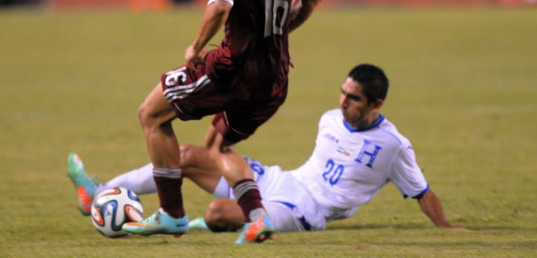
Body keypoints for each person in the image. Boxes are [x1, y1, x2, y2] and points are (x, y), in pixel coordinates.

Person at [99, 0, 322, 243]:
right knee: (218, 145)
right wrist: (280, 34)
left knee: (151, 114)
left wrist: (195, 46)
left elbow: (219, 7)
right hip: (276, 76)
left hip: (232, 70)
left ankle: (172, 214)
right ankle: (258, 216)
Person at [68, 64, 464, 237]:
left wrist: (446, 230)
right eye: (343, 93)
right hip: (281, 179)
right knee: (187, 156)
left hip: (306, 210)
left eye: (355, 99)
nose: (343, 102)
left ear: (376, 105)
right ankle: (98, 193)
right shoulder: (329, 118)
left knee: (216, 213)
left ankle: (191, 224)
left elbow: (421, 192)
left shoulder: (393, 146)